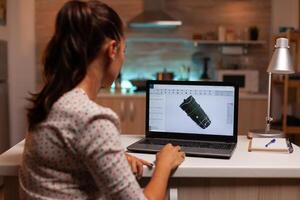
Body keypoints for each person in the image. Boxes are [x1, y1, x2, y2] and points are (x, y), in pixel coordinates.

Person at [19, 0, 185, 199]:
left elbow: (66, 155)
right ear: (112, 49)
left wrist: (113, 158)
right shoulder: (90, 118)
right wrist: (164, 165)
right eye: (124, 51)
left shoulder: (51, 99)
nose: (123, 59)